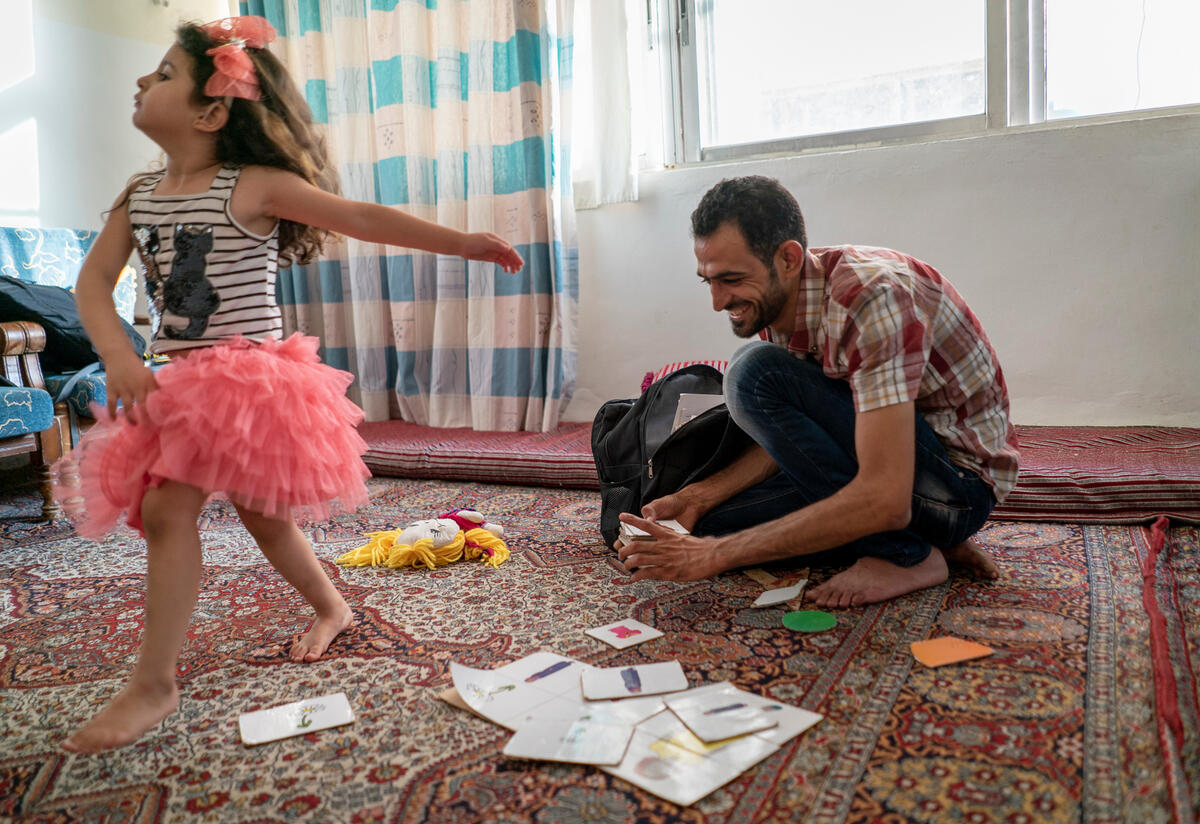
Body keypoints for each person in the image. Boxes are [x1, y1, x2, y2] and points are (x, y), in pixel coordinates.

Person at [53, 16, 523, 754]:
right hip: (174, 382)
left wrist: (460, 241)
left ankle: (157, 682)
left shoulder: (258, 184)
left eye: (164, 74)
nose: (143, 82)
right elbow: (91, 285)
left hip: (251, 384)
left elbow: (361, 217)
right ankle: (324, 608)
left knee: (223, 513)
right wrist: (118, 355)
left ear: (211, 113)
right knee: (204, 514)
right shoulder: (138, 196)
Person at [617, 176, 1019, 608]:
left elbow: (886, 497)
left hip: (955, 489)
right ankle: (918, 540)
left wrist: (714, 557)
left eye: (731, 279)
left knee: (750, 372)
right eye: (708, 281)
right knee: (698, 527)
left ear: (788, 258)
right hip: (886, 468)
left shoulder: (871, 300)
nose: (717, 301)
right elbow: (791, 440)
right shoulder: (779, 300)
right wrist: (697, 497)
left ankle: (908, 554)